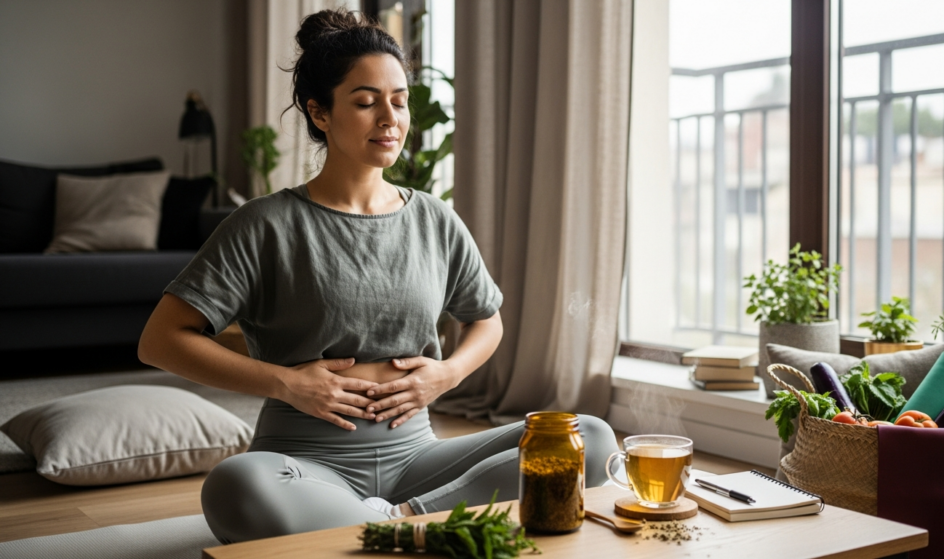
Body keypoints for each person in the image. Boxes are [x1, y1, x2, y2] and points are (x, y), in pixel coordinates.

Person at [138, 8, 618, 544]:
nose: (389, 119)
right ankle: (429, 527)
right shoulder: (265, 223)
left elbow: (487, 321)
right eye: (366, 103)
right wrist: (287, 383)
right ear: (319, 114)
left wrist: (448, 373)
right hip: (304, 460)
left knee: (589, 438)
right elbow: (161, 341)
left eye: (399, 100)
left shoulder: (434, 218)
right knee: (234, 485)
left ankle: (391, 527)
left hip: (419, 455)